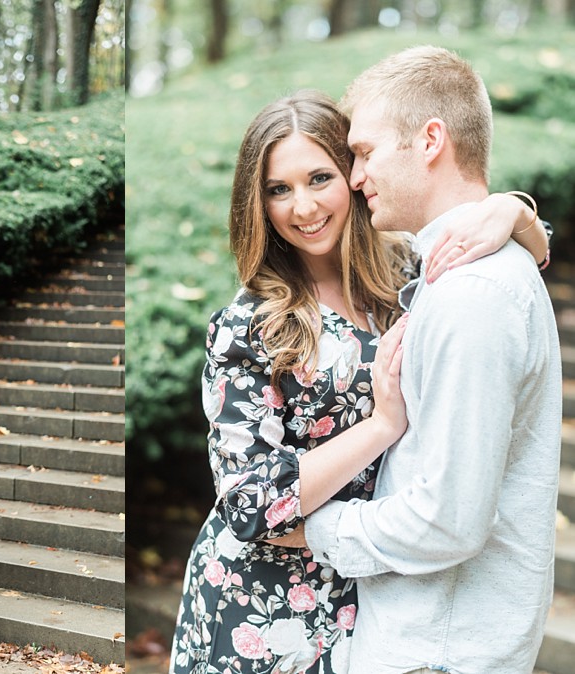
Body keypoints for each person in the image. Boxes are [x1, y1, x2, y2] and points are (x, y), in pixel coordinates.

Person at [168, 89, 551, 674]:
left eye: (319, 178)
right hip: (263, 605)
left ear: (356, 174)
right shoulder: (250, 325)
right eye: (278, 189)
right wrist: (382, 426)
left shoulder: (408, 272)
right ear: (257, 200)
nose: (302, 207)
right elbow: (247, 503)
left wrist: (514, 210)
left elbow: (514, 252)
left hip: (375, 590)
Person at [298, 47, 561, 674]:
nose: (355, 177)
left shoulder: (472, 293)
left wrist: (310, 529)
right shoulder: (456, 268)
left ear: (431, 139)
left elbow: (448, 522)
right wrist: (520, 211)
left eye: (364, 152)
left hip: (438, 648)